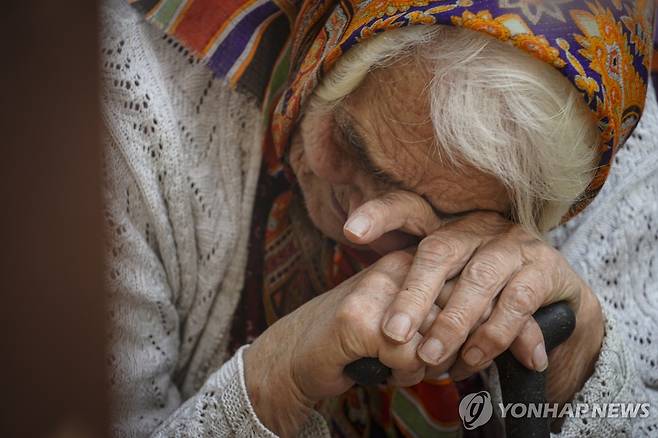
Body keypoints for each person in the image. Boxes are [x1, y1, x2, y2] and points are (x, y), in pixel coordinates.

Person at [101, 0, 658, 436]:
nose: (360, 224)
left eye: (449, 215)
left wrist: (579, 357)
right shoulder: (126, 100)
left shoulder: (617, 156)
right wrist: (275, 380)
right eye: (352, 143)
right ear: (329, 40)